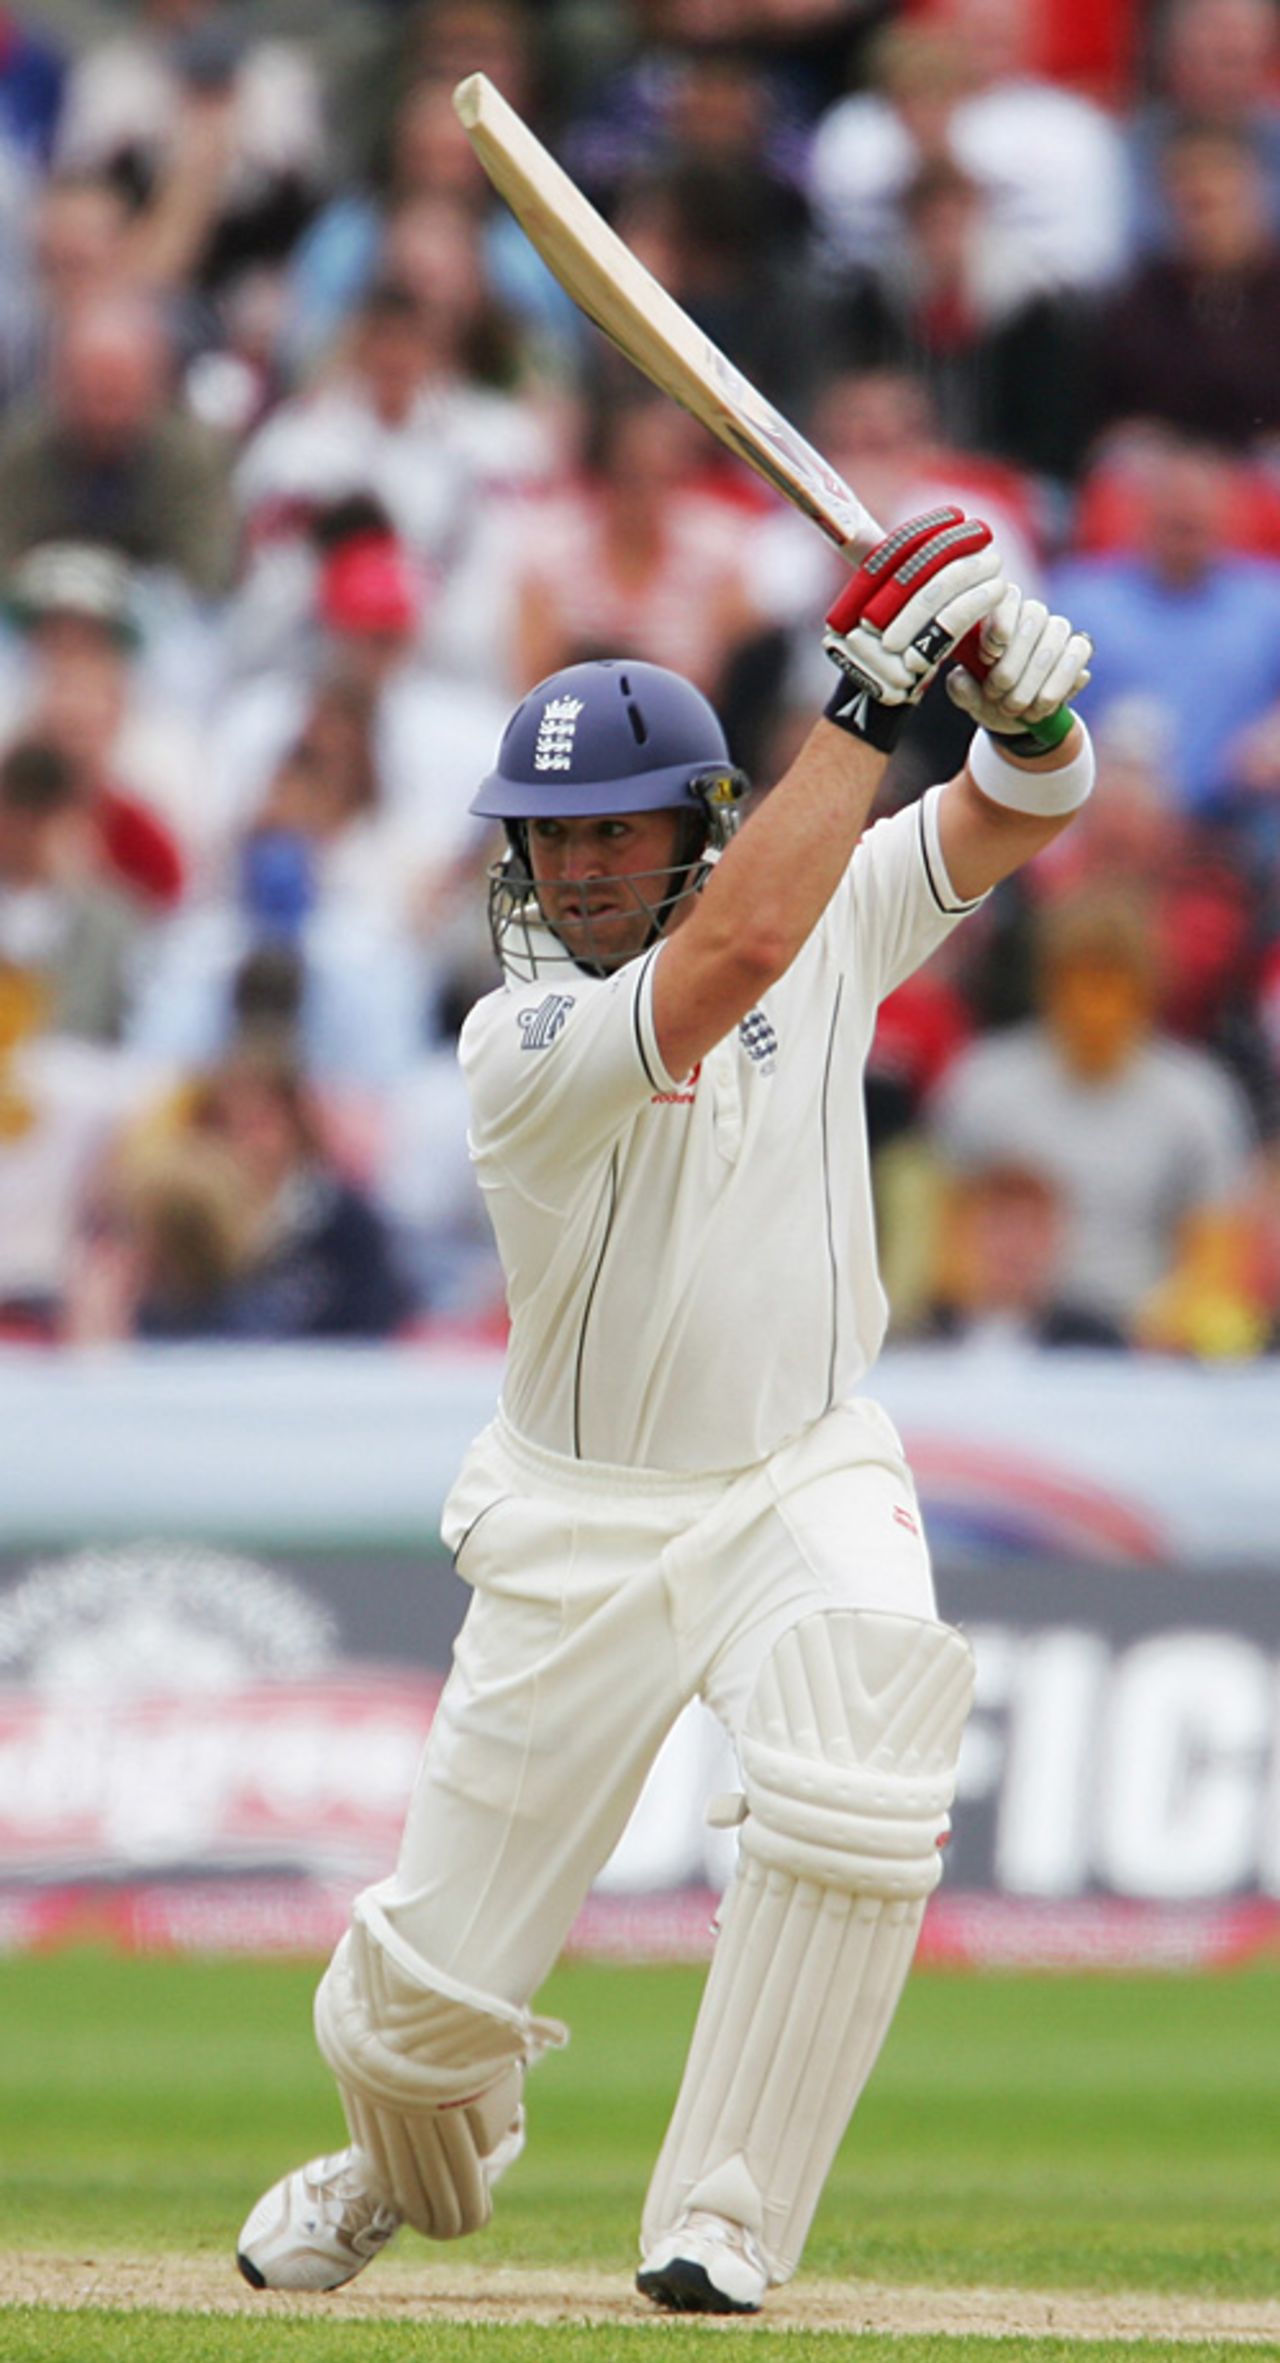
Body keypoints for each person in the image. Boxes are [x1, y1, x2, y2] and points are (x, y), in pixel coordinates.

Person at [236, 507, 1095, 2314]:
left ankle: (724, 2216)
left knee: (864, 1766)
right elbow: (729, 964)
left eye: (613, 832)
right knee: (408, 2038)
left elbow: (1017, 814)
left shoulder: (829, 903)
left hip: (801, 1467)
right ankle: (394, 2157)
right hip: (576, 1528)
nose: (573, 874)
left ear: (699, 819)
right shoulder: (516, 1046)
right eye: (546, 843)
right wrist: (877, 693)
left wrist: (1022, 713)